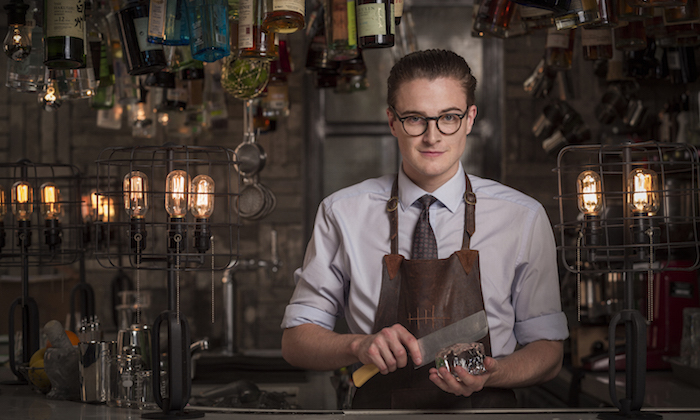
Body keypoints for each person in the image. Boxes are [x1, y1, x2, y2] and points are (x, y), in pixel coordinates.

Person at [280, 49, 569, 409]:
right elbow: (296, 341)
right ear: (392, 121)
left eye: (448, 117)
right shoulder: (342, 213)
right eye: (415, 119)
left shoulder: (522, 217)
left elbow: (549, 352)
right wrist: (357, 345)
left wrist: (494, 373)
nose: (433, 136)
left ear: (469, 119)